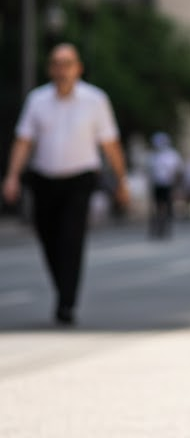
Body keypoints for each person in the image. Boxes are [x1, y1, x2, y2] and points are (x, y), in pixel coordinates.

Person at [1, 43, 130, 324]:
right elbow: (24, 141)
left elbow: (110, 144)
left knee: (71, 240)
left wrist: (121, 180)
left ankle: (66, 302)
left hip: (80, 179)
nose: (62, 69)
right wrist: (12, 175)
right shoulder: (37, 100)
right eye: (57, 64)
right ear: (50, 69)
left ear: (78, 68)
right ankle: (63, 288)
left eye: (67, 63)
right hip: (44, 179)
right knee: (48, 240)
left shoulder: (95, 100)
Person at [146, 132, 183, 239]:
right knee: (156, 207)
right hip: (156, 185)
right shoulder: (152, 156)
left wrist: (176, 186)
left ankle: (166, 228)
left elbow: (178, 171)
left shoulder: (172, 155)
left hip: (168, 185)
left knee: (167, 207)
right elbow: (149, 172)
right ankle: (156, 228)